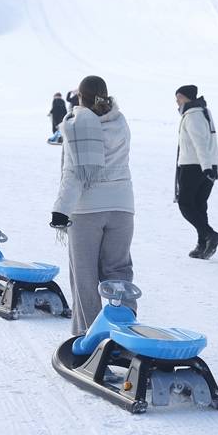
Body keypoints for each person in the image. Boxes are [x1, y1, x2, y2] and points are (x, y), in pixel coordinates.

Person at [51, 75, 136, 336]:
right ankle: (124, 331)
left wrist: (60, 210)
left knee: (85, 277)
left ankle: (88, 336)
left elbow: (73, 173)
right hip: (122, 207)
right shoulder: (120, 122)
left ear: (80, 98)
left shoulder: (76, 126)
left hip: (87, 210)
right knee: (118, 272)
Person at [174, 85, 218, 259]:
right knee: (199, 205)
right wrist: (212, 165)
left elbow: (200, 143)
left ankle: (210, 235)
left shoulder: (193, 116)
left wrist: (206, 167)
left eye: (178, 97)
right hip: (207, 164)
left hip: (193, 166)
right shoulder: (204, 112)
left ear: (186, 97)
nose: (176, 101)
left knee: (185, 204)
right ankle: (203, 245)